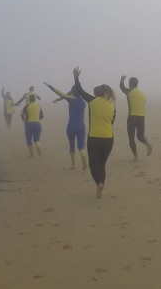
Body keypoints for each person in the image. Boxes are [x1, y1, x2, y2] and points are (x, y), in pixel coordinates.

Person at [71, 67, 116, 197]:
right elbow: (112, 121)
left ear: (96, 94)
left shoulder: (92, 101)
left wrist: (75, 77)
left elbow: (80, 90)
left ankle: (99, 184)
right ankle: (100, 188)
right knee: (102, 164)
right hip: (108, 138)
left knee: (93, 164)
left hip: (94, 137)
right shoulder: (112, 104)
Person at [46, 80, 88, 170]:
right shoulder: (83, 102)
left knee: (72, 145)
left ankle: (73, 165)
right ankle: (84, 158)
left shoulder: (70, 100)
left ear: (72, 92)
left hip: (71, 126)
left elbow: (61, 94)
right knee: (81, 145)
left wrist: (50, 86)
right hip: (81, 125)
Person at [118, 75, 152, 159]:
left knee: (131, 138)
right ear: (137, 84)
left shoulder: (129, 91)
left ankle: (135, 156)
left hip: (132, 117)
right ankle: (147, 143)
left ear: (130, 84)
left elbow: (122, 87)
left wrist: (122, 79)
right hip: (141, 117)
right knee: (140, 136)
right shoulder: (142, 95)